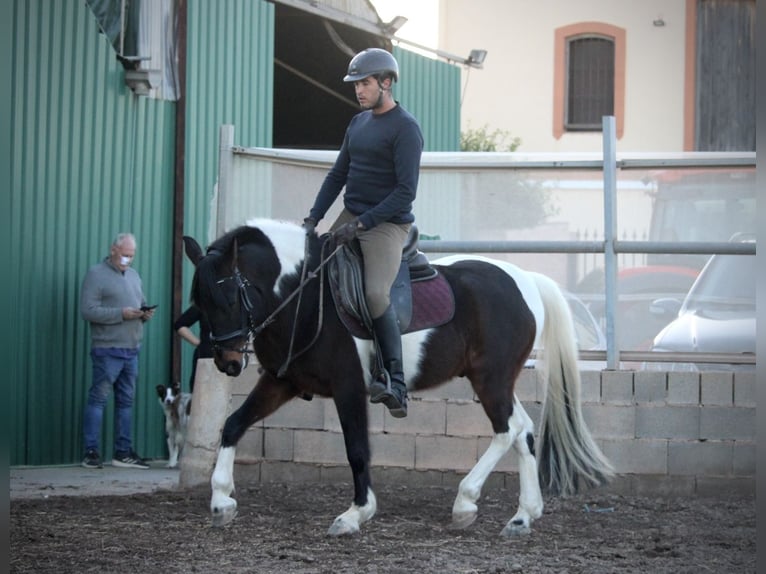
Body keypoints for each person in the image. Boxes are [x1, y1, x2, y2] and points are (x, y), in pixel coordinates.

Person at [302, 48, 424, 418]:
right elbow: (338, 175)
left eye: (365, 83)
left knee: (374, 295)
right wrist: (313, 219)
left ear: (386, 83)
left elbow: (406, 192)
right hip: (350, 214)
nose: (359, 90)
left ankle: (396, 384)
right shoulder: (358, 124)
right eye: (356, 84)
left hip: (386, 225)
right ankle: (304, 368)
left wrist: (361, 225)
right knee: (309, 274)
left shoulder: (406, 128)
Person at [80, 233, 156, 469]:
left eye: (131, 256)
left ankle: (123, 452)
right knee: (99, 399)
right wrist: (119, 314)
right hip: (107, 349)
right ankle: (91, 452)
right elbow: (88, 310)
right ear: (113, 249)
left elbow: (139, 302)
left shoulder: (133, 275)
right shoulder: (96, 274)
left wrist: (144, 315)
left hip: (131, 349)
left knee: (126, 402)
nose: (128, 260)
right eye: (124, 255)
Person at [173, 305, 212, 393]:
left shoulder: (238, 303)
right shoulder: (204, 303)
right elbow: (180, 325)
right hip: (205, 357)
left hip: (228, 361)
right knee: (199, 395)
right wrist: (199, 343)